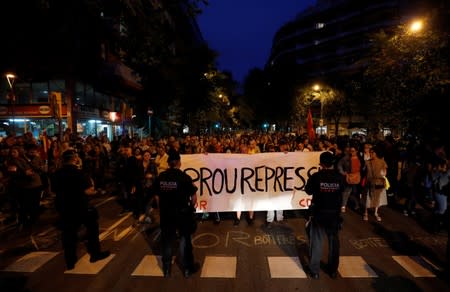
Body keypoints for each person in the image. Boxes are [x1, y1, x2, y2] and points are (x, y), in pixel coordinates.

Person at [51, 149, 110, 270]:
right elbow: (88, 191)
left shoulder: (57, 174)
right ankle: (95, 253)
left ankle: (70, 260)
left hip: (64, 207)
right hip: (80, 206)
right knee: (92, 229)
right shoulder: (80, 173)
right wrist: (97, 191)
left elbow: (53, 191)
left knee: (68, 233)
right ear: (75, 159)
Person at [154, 148, 199, 278]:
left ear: (168, 163)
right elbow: (194, 197)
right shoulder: (185, 177)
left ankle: (167, 269)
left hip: (166, 214)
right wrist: (191, 207)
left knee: (167, 241)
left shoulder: (161, 177)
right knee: (184, 240)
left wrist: (161, 208)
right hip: (182, 214)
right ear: (179, 162)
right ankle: (186, 269)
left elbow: (157, 196)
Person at [305, 151, 344, 279]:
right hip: (334, 214)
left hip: (319, 213)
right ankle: (332, 270)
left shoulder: (316, 176)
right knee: (334, 243)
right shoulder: (340, 177)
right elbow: (342, 191)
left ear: (321, 164)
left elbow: (308, 190)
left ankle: (314, 271)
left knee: (317, 242)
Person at [363, 145, 388, 222]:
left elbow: (384, 173)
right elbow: (364, 171)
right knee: (368, 198)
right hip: (370, 182)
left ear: (376, 153)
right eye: (370, 152)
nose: (370, 154)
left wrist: (381, 175)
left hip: (378, 182)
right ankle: (366, 213)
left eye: (372, 152)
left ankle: (376, 212)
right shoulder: (367, 162)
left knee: (378, 198)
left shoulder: (382, 161)